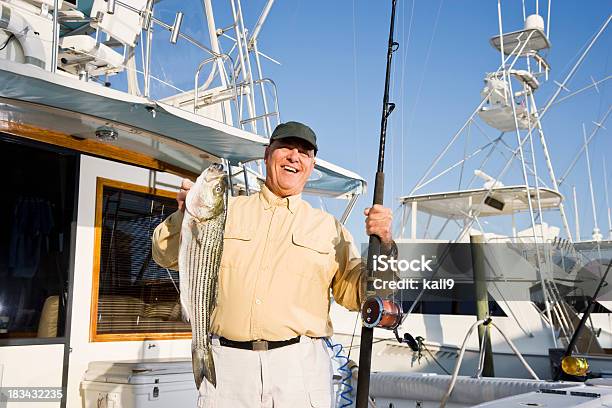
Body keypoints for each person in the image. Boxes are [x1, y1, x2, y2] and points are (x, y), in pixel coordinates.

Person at [152, 121, 395, 408]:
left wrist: (386, 243)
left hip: (299, 370)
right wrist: (185, 215)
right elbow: (163, 254)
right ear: (268, 154)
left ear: (312, 165)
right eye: (286, 148)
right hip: (227, 368)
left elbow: (359, 295)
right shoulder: (224, 209)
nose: (294, 156)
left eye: (304, 152)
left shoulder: (330, 228)